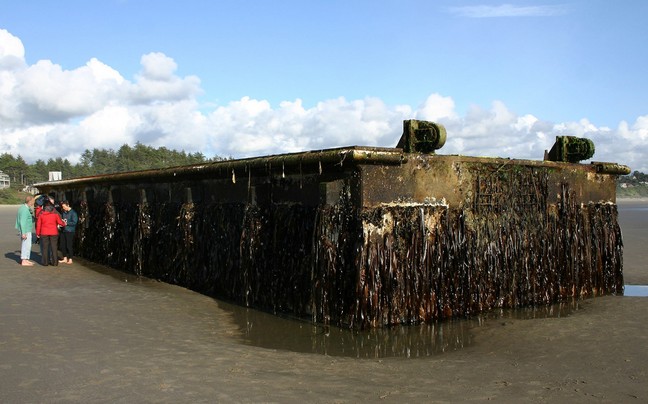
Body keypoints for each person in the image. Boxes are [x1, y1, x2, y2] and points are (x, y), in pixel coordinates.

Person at [36, 200, 65, 267]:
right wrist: (64, 224)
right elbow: (60, 222)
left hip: (44, 232)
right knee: (54, 247)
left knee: (45, 248)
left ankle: (45, 262)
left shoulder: (41, 215)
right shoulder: (55, 215)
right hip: (53, 232)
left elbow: (38, 225)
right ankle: (55, 262)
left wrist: (38, 233)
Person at [15, 195, 35, 266]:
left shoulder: (24, 207)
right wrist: (23, 233)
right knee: (25, 245)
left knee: (28, 245)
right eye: (33, 201)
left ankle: (26, 259)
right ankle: (24, 260)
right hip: (25, 230)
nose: (34, 202)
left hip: (26, 229)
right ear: (30, 201)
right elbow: (22, 222)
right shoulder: (24, 209)